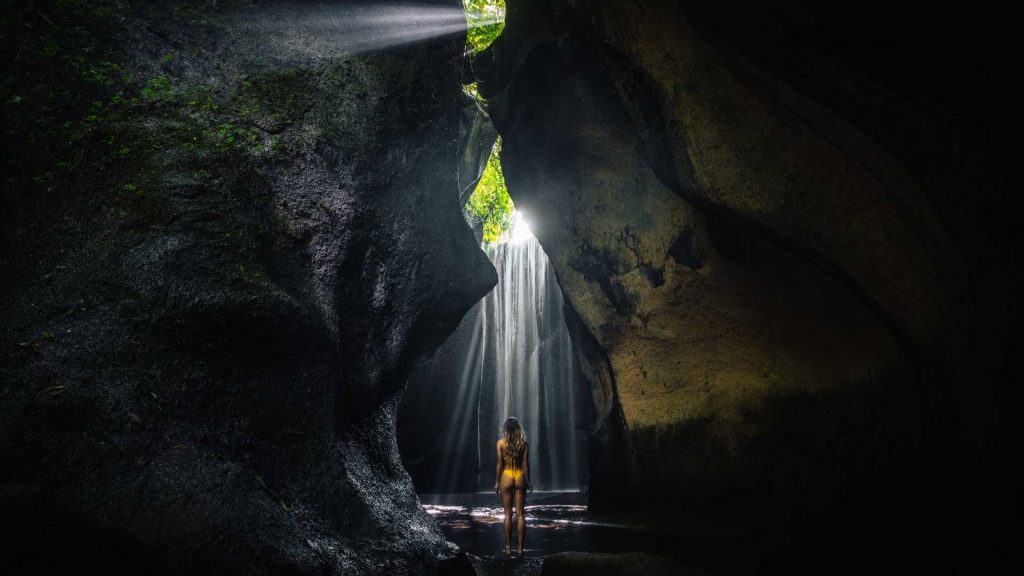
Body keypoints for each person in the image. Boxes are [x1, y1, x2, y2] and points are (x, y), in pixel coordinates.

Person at [494, 416, 532, 557]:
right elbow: (526, 464)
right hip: (519, 476)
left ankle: (508, 548)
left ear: (505, 429)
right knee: (521, 515)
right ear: (518, 429)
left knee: (508, 515)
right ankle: (521, 549)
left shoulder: (500, 443)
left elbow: (499, 464)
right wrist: (528, 481)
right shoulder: (524, 444)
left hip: (507, 476)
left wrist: (497, 482)